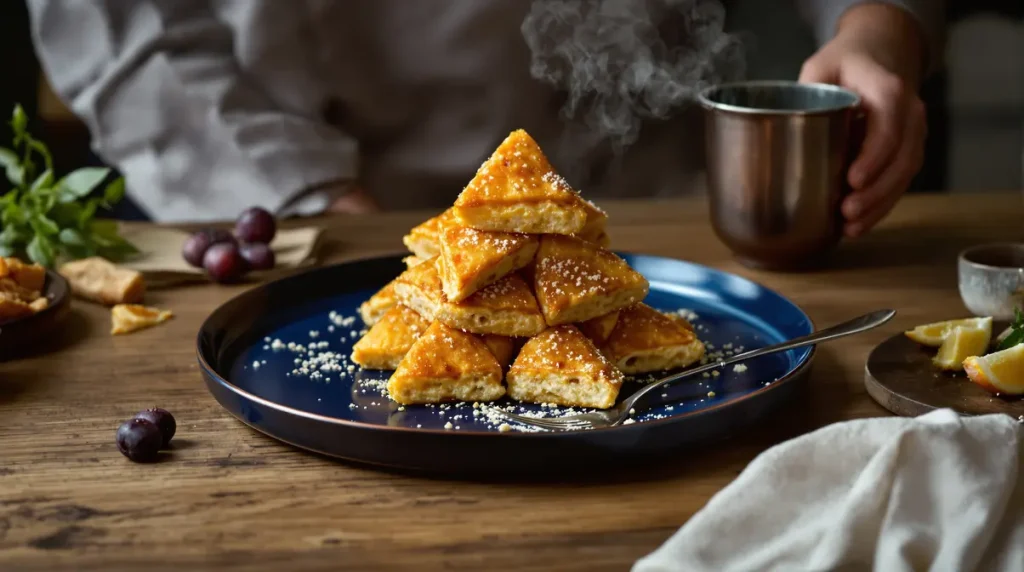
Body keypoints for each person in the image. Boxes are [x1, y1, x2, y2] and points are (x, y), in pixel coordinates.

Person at [28, 1, 941, 238]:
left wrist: (876, 24)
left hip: (657, 195)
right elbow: (121, 26)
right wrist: (314, 202)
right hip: (278, 179)